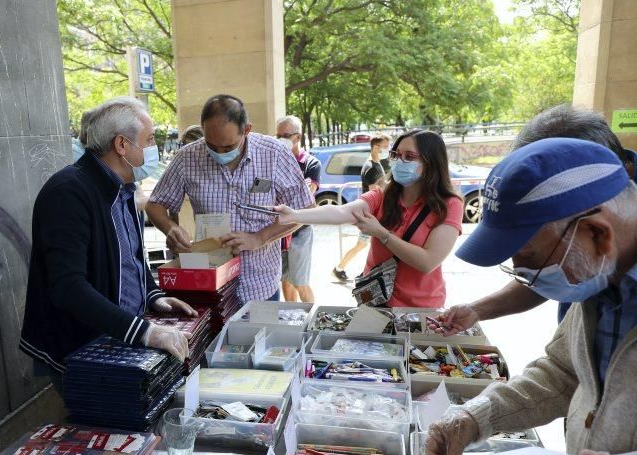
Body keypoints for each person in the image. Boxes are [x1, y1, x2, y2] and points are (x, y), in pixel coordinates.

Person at [426, 138, 637, 455]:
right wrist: (476, 416)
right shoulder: (603, 272)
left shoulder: (594, 264)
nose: (525, 277)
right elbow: (562, 373)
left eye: (530, 258)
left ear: (596, 233)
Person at [20, 97, 196, 392]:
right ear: (121, 145)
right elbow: (68, 287)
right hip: (82, 347)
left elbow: (130, 258)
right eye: (149, 139)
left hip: (118, 337)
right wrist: (146, 332)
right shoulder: (69, 192)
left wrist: (152, 296)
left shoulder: (123, 187)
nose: (154, 148)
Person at [435, 104, 637, 334]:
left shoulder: (598, 241)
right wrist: (478, 309)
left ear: (596, 233)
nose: (521, 270)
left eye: (529, 252)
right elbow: (549, 271)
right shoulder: (585, 259)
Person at [146, 94, 315, 304]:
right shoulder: (188, 157)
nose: (219, 153)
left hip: (260, 284)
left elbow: (305, 209)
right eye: (211, 146)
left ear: (247, 130)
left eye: (227, 147)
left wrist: (260, 238)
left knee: (259, 337)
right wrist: (170, 228)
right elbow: (155, 205)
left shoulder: (274, 154)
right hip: (209, 283)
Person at [276, 129, 462, 307]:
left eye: (409, 157)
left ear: (432, 162)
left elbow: (427, 262)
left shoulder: (449, 204)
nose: (399, 161)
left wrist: (382, 234)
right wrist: (294, 215)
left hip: (419, 307)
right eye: (395, 155)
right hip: (375, 300)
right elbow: (343, 212)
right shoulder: (385, 194)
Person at [333, 134, 392, 281]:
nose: (388, 149)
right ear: (376, 147)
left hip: (371, 214)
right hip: (371, 214)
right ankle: (341, 268)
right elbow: (375, 192)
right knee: (363, 245)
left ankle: (340, 268)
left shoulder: (376, 164)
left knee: (363, 244)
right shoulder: (371, 167)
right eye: (385, 146)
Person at [276, 115, 320, 303]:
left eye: (285, 135)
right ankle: (291, 318)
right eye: (278, 135)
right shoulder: (274, 161)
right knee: (285, 279)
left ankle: (314, 320)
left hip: (299, 231)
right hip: (276, 232)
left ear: (298, 137)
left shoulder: (310, 163)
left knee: (300, 282)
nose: (281, 140)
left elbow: (307, 197)